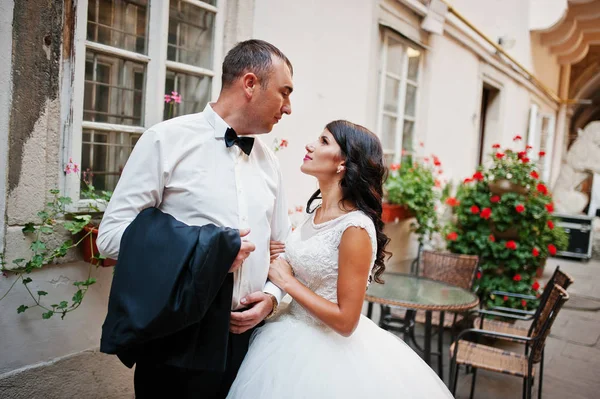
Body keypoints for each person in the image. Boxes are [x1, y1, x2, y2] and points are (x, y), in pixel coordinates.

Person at [97, 39, 294, 398]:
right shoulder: (165, 140)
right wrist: (208, 250)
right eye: (284, 93)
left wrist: (271, 298)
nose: (289, 108)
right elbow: (111, 236)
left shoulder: (271, 163)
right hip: (179, 334)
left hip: (249, 341)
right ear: (250, 84)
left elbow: (282, 247)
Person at [227, 120, 453, 398]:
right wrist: (281, 257)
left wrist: (288, 281)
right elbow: (302, 260)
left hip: (323, 353)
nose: (310, 145)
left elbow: (347, 321)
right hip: (285, 335)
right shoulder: (318, 213)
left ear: (343, 163)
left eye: (323, 141)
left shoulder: (355, 228)